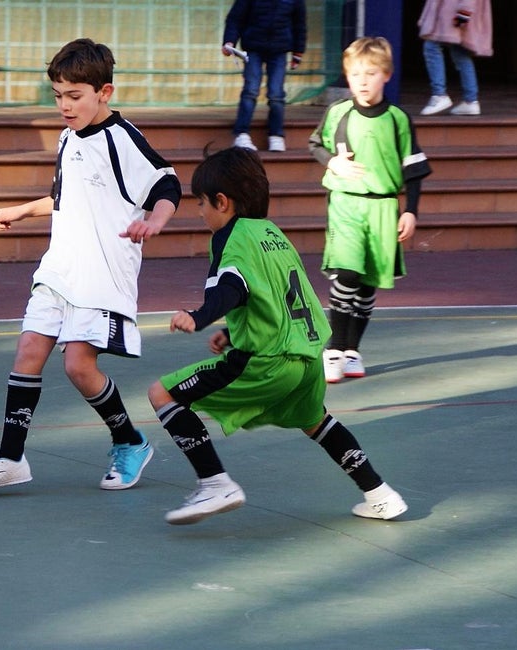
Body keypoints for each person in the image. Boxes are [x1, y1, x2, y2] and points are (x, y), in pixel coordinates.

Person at [0, 39, 181, 494]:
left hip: (103, 276)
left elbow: (167, 182)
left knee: (79, 367)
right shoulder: (67, 138)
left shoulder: (122, 139)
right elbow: (66, 199)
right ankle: (10, 458)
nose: (64, 105)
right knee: (28, 352)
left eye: (74, 95)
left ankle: (130, 441)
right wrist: (21, 210)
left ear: (105, 92)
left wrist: (156, 219)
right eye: (58, 95)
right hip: (59, 268)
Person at [148, 146, 406, 525]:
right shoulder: (272, 234)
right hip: (307, 359)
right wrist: (231, 333)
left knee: (162, 393)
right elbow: (273, 300)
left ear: (222, 202)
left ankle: (216, 483)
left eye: (201, 203)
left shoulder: (231, 238)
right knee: (316, 421)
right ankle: (380, 494)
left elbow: (231, 287)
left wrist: (199, 316)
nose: (200, 212)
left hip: (267, 362)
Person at [308, 37, 432, 383]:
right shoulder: (338, 113)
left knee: (366, 286)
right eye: (355, 74)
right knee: (346, 274)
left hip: (384, 208)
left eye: (371, 73)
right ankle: (333, 349)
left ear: (386, 75)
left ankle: (351, 350)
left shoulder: (398, 119)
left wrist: (411, 211)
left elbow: (415, 168)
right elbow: (315, 144)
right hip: (346, 204)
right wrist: (333, 162)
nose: (362, 81)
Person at [222, 0, 306, 152]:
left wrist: (298, 52)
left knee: (276, 94)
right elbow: (235, 18)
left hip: (280, 49)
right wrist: (229, 41)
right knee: (250, 90)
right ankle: (241, 134)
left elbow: (299, 23)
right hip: (253, 47)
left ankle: (276, 135)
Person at [418, 0, 493, 116]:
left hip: (453, 14)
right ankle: (470, 101)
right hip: (456, 12)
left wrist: (463, 14)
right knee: (460, 53)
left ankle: (439, 95)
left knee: (432, 46)